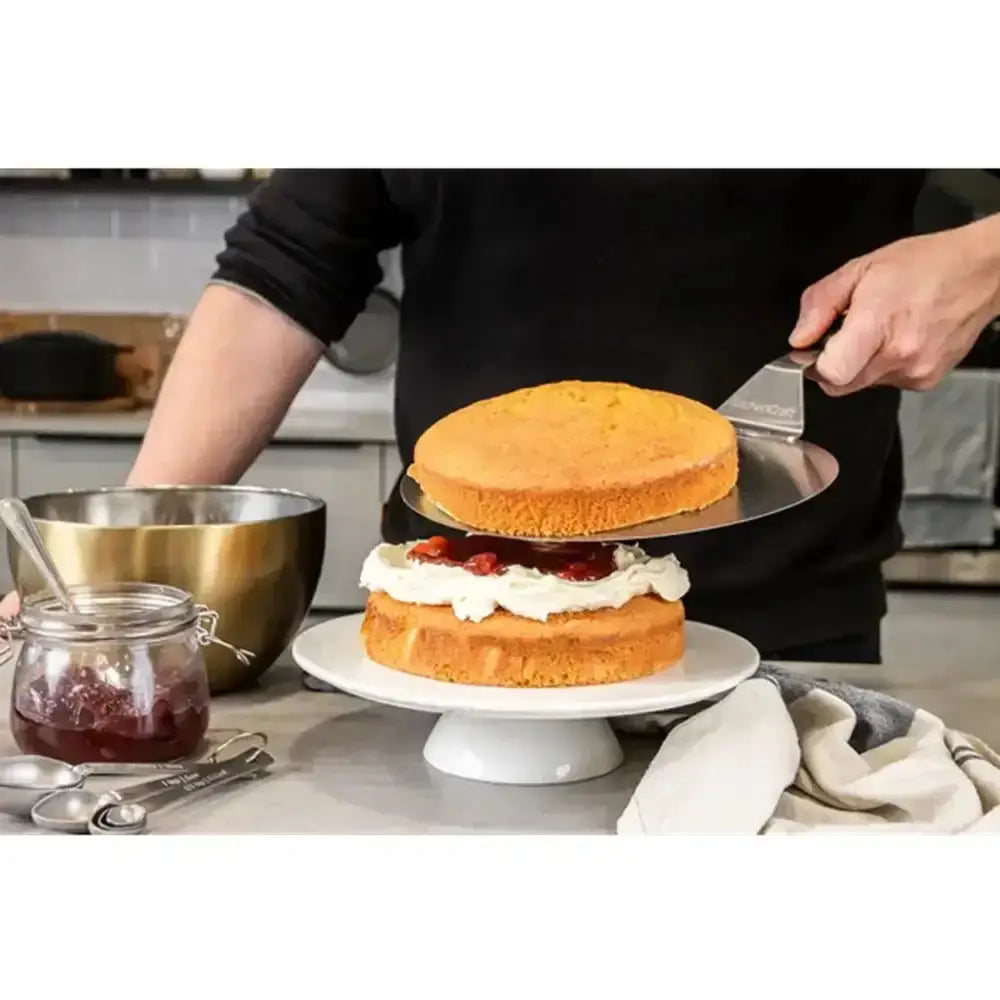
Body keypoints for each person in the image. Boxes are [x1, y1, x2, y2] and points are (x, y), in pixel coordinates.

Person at [4, 170, 1000, 662]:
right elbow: (290, 260)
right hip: (462, 616)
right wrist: (130, 560)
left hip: (782, 630)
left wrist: (982, 254)